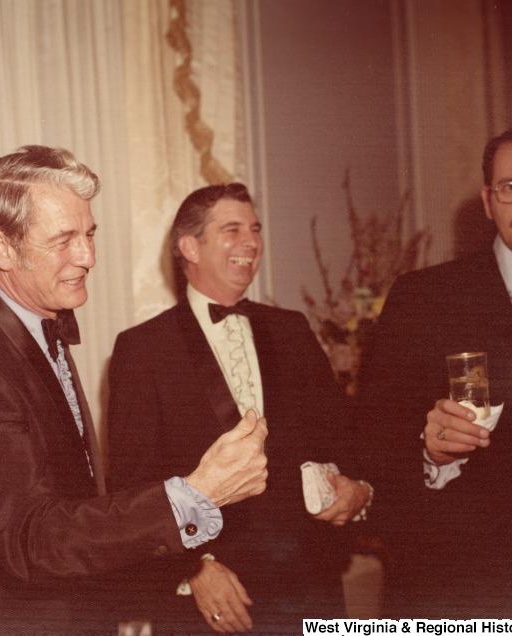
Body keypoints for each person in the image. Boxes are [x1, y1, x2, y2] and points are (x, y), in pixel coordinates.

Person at [0, 146, 270, 635]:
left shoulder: (33, 324)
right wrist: (196, 493)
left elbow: (72, 500)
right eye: (64, 239)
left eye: (89, 234)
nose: (88, 257)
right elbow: (31, 537)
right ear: (3, 248)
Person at [107, 183, 373, 634]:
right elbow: (132, 490)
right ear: (189, 246)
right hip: (212, 601)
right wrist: (192, 572)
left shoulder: (292, 329)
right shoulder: (143, 349)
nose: (251, 242)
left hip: (310, 591)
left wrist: (359, 491)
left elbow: (346, 439)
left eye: (254, 229)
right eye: (232, 229)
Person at [362, 124, 512, 618]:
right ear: (487, 201)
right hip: (480, 593)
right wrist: (430, 453)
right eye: (510, 188)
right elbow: (369, 445)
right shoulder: (424, 298)